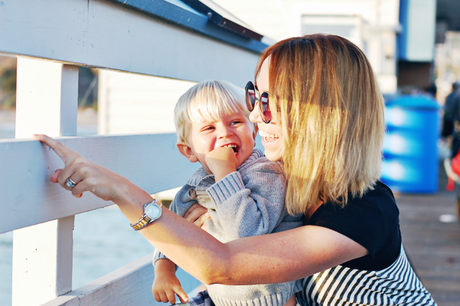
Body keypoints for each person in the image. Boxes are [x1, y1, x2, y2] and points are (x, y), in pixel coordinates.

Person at [35, 33, 437, 305]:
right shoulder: (286, 183)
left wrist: (120, 190)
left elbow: (222, 265)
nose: (253, 115)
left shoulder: (360, 212)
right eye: (253, 95)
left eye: (266, 101)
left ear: (315, 113)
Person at [151, 80, 302, 306]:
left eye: (235, 122)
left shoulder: (267, 173)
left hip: (272, 299)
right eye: (209, 128)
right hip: (219, 297)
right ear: (189, 150)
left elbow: (248, 235)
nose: (224, 132)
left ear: (254, 132)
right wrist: (164, 269)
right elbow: (171, 227)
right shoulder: (197, 182)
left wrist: (225, 173)